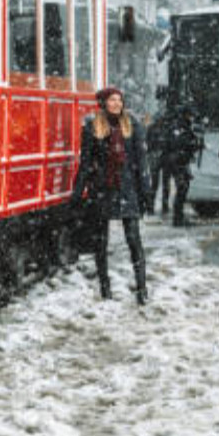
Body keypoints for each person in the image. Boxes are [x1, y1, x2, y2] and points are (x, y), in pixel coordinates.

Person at [70, 87, 150, 305]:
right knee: (100, 242)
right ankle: (105, 287)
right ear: (103, 103)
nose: (116, 104)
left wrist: (146, 192)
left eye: (119, 100)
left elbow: (141, 162)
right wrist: (78, 192)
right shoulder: (93, 126)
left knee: (133, 239)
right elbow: (86, 162)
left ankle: (142, 288)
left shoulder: (132, 125)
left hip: (127, 189)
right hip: (102, 189)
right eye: (112, 100)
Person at [155, 104, 202, 227]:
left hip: (180, 161)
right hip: (177, 162)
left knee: (183, 189)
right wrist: (192, 144)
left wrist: (195, 144)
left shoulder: (185, 126)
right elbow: (178, 143)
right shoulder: (179, 127)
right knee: (181, 188)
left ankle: (179, 216)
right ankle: (177, 218)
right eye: (190, 115)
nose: (192, 117)